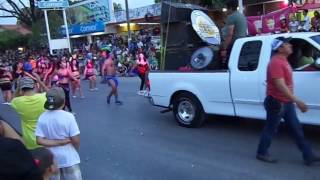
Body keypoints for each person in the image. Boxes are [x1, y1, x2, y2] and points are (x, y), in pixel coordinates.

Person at [256, 37, 320, 166]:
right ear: (280, 48)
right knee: (271, 129)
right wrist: (298, 101)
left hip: (286, 102)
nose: (290, 45)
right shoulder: (276, 63)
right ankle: (261, 152)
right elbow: (280, 85)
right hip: (277, 103)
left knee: (296, 128)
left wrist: (292, 101)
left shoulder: (283, 60)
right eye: (286, 44)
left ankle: (308, 155)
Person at [35, 87, 82, 180]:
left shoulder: (42, 117)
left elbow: (39, 140)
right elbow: (75, 139)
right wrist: (75, 149)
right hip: (69, 158)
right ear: (63, 101)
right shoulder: (69, 117)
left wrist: (58, 142)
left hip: (51, 160)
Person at [11, 75, 49, 150]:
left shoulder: (17, 102)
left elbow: (13, 99)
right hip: (46, 136)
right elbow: (52, 94)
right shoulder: (43, 97)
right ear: (34, 86)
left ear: (21, 89)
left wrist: (18, 87)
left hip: (30, 139)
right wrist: (39, 81)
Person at [220, 0, 247, 67]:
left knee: (227, 65)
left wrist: (224, 48)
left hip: (234, 45)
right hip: (242, 44)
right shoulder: (241, 16)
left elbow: (230, 34)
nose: (226, 11)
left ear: (231, 8)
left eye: (227, 9)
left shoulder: (232, 17)